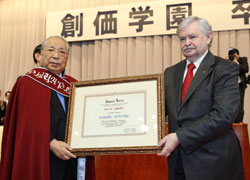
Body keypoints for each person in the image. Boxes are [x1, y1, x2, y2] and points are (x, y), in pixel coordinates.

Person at [157, 16, 244, 180]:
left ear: (209, 37)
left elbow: (223, 116)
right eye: (182, 39)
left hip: (214, 163)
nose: (186, 43)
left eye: (192, 37)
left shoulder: (225, 69)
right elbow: (159, 111)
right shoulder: (170, 72)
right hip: (178, 164)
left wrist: (180, 137)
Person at [0, 36, 94, 180]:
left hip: (73, 162)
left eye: (62, 52)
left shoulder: (74, 85)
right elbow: (25, 124)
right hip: (42, 159)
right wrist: (52, 143)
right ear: (40, 55)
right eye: (51, 50)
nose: (56, 56)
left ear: (67, 57)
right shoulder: (27, 82)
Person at [227, 48, 249, 123]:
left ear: (238, 55)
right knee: (231, 104)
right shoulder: (228, 62)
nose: (233, 57)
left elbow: (245, 69)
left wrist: (236, 62)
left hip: (240, 85)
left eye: (234, 56)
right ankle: (231, 121)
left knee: (240, 104)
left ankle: (239, 121)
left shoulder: (243, 60)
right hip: (230, 86)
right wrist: (226, 62)